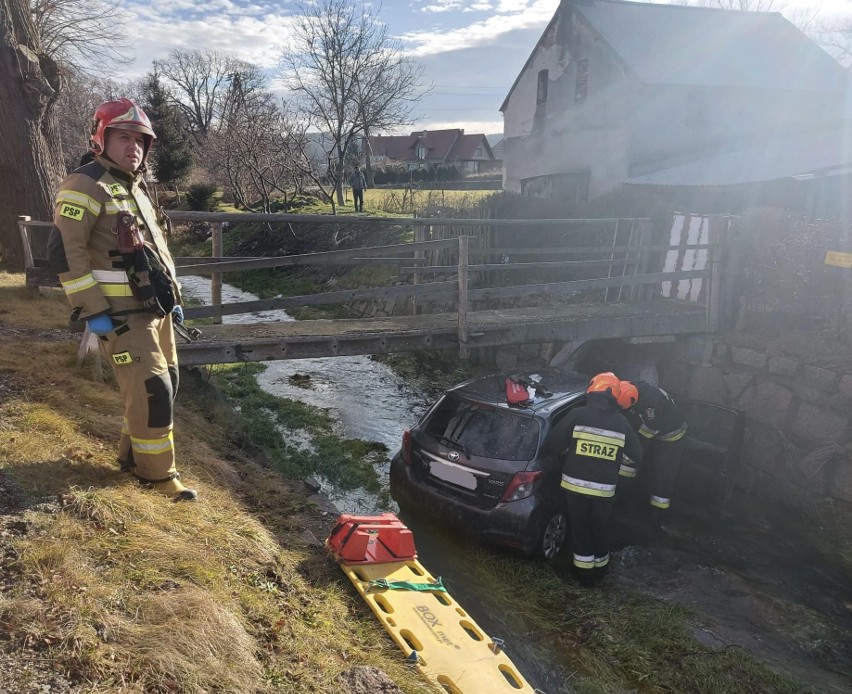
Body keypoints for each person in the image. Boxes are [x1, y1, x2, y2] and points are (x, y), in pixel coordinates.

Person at [47, 98, 197, 502]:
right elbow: (66, 252)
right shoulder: (85, 183)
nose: (133, 147)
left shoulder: (133, 186)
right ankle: (157, 478)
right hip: (120, 316)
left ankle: (132, 459)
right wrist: (92, 311)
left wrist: (174, 298)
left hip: (156, 311)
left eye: (140, 140)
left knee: (165, 385)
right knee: (154, 391)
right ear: (101, 137)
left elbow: (155, 251)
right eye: (123, 137)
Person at [552, 372, 642, 586]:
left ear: (592, 390)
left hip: (575, 485)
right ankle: (601, 570)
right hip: (604, 490)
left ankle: (583, 576)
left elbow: (555, 442)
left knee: (581, 528)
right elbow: (636, 455)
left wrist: (566, 455)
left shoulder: (577, 415)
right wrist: (616, 466)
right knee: (600, 528)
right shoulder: (622, 423)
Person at [618, 380, 686, 528]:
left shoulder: (651, 403)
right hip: (651, 430)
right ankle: (624, 499)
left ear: (633, 400)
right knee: (631, 464)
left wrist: (634, 443)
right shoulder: (629, 388)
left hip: (670, 438)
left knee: (663, 474)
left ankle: (658, 515)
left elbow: (650, 429)